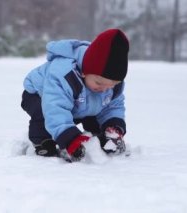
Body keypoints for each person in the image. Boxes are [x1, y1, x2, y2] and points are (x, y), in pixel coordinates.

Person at [21, 29, 129, 162]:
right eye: (99, 83)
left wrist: (113, 126)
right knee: (44, 113)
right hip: (39, 96)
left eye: (111, 85)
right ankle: (43, 142)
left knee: (97, 106)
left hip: (79, 100)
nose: (104, 89)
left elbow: (112, 106)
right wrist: (69, 138)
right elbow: (55, 108)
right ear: (84, 72)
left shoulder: (106, 85)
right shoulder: (65, 75)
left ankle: (102, 136)